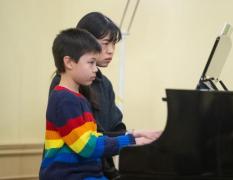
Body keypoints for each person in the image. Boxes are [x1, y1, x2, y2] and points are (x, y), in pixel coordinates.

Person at [49, 12, 161, 179]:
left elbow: (114, 128)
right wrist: (133, 139)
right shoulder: (65, 90)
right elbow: (90, 143)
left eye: (114, 44)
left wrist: (136, 134)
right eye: (105, 44)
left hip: (101, 170)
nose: (111, 51)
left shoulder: (104, 83)